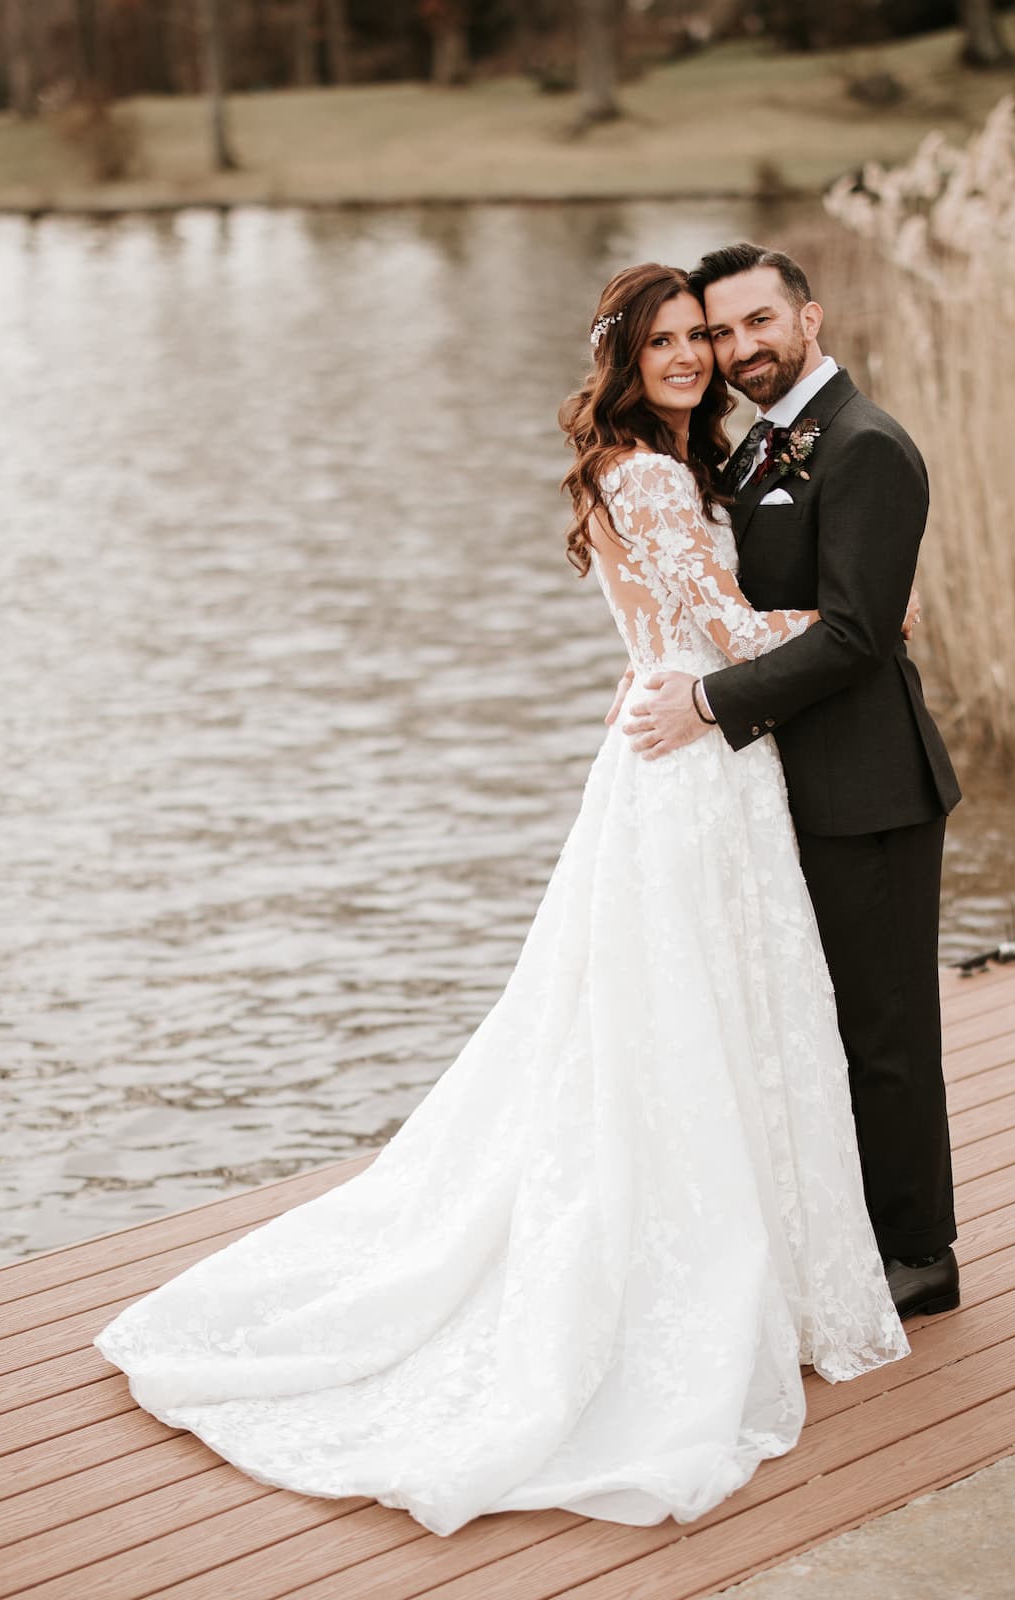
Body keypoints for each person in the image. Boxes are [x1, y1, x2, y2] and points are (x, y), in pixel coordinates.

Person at [94, 262, 907, 1540]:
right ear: (625, 364)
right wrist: (867, 625)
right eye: (667, 344)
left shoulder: (686, 466)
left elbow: (674, 627)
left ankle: (767, 1268)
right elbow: (726, 624)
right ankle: (685, 1288)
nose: (694, 356)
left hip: (698, 755)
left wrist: (677, 657)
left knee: (707, 1011)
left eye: (703, 335)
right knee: (685, 1017)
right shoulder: (645, 471)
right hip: (690, 768)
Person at [618, 241, 964, 1319]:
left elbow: (860, 636)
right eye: (720, 332)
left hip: (868, 790)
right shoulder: (755, 447)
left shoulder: (867, 447)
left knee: (886, 1030)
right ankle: (839, 1230)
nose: (737, 349)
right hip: (777, 787)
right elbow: (727, 603)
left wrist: (711, 703)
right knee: (806, 1023)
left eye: (757, 323)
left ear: (808, 319)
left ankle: (920, 1253)